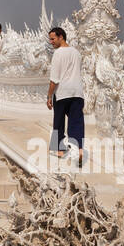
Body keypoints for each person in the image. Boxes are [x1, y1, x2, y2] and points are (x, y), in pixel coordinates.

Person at [46, 26, 84, 163]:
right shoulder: (76, 52)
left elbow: (54, 79)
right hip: (78, 92)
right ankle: (78, 149)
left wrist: (49, 96)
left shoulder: (58, 53)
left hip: (62, 92)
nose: (51, 42)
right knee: (76, 122)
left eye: (53, 38)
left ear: (61, 36)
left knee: (59, 121)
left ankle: (60, 150)